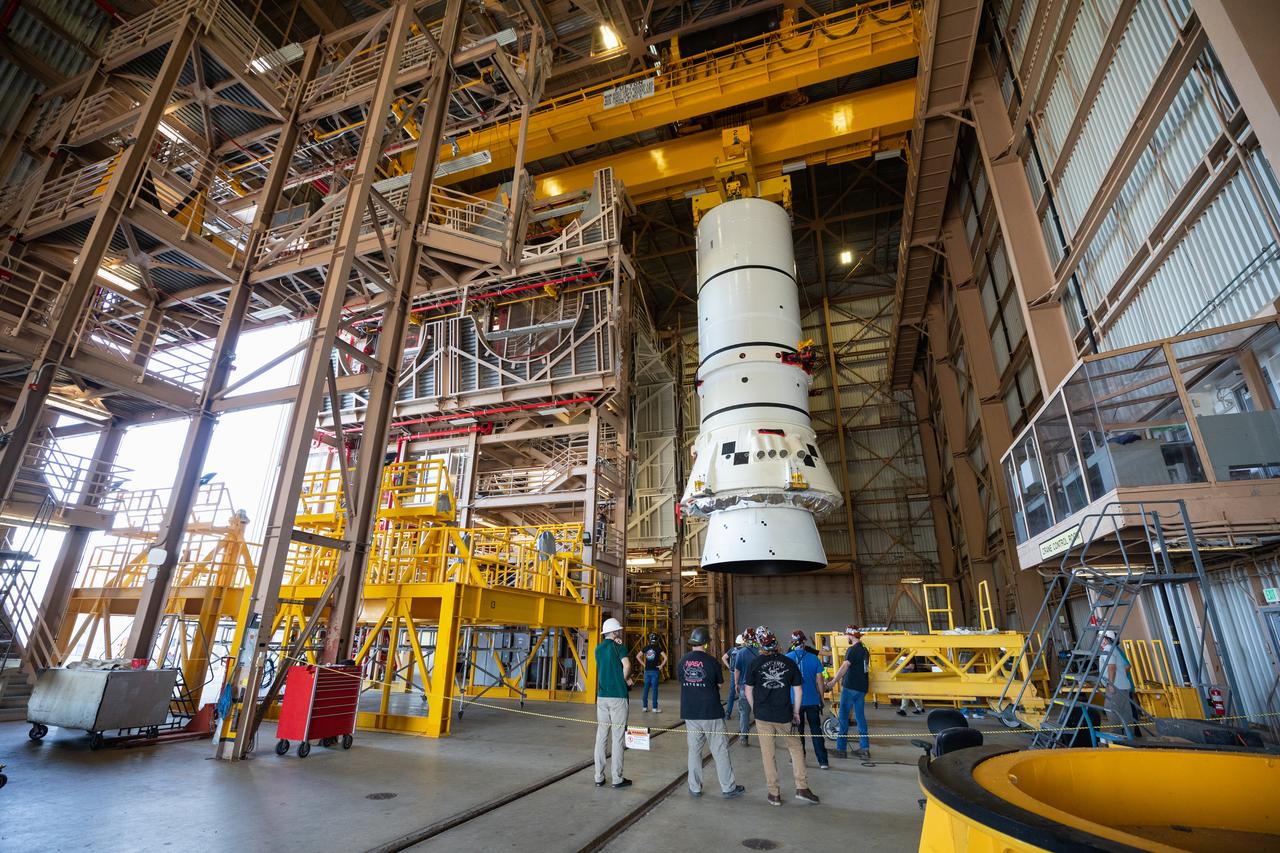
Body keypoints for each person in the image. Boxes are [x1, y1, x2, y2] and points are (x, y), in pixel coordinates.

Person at [745, 627, 819, 806]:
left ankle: (774, 793)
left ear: (760, 645)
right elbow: (798, 690)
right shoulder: (788, 662)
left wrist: (756, 709)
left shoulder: (754, 664)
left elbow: (748, 690)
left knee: (767, 754)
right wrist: (796, 712)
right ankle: (801, 787)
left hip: (763, 716)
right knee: (795, 748)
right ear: (776, 644)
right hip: (784, 715)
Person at [679, 627, 746, 799]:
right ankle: (728, 787)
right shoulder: (711, 662)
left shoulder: (683, 661)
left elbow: (683, 681)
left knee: (694, 751)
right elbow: (718, 684)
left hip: (690, 713)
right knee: (720, 750)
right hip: (711, 713)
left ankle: (694, 787)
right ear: (706, 644)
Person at [594, 617, 633, 788]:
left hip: (602, 697)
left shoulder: (597, 649)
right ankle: (617, 778)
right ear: (615, 632)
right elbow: (626, 665)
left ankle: (598, 776)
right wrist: (624, 679)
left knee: (601, 736)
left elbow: (605, 667)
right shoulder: (619, 647)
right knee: (617, 738)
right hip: (618, 696)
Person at [787, 630, 829, 769]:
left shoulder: (787, 658)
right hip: (812, 700)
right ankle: (823, 761)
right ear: (804, 642)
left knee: (798, 732)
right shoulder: (813, 658)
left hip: (795, 702)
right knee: (816, 731)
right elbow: (820, 680)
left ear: (792, 643)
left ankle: (799, 759)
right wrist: (821, 698)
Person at [827, 625, 870, 760]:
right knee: (860, 717)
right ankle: (865, 748)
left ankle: (841, 749)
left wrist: (833, 681)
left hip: (850, 687)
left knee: (843, 717)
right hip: (862, 688)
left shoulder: (852, 650)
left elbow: (845, 666)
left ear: (851, 636)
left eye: (847, 635)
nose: (847, 637)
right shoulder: (864, 650)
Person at [1100, 631, 1139, 735]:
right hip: (1123, 688)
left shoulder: (1108, 649)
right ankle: (1130, 738)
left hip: (1115, 688)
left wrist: (1111, 684)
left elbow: (1112, 667)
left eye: (1100, 637)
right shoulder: (1114, 649)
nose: (1098, 640)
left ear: (1106, 639)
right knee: (1127, 715)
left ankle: (1118, 741)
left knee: (1112, 713)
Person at [730, 627, 759, 745]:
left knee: (744, 714)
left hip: (744, 687)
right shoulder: (761, 651)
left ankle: (744, 737)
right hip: (759, 689)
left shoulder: (741, 653)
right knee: (761, 713)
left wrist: (736, 683)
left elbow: (736, 671)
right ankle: (765, 737)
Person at [638, 632, 668, 713]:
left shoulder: (646, 647)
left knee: (646, 689)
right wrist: (661, 665)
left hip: (647, 671)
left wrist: (644, 664)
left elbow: (638, 656)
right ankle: (654, 708)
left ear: (650, 639)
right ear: (657, 640)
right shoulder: (658, 648)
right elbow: (665, 657)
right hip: (655, 671)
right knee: (654, 690)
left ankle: (644, 707)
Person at [722, 634, 744, 718]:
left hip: (732, 674)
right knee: (742, 694)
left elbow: (723, 658)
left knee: (731, 694)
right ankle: (741, 715)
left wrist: (729, 667)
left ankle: (727, 713)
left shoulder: (732, 650)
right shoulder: (745, 651)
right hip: (741, 674)